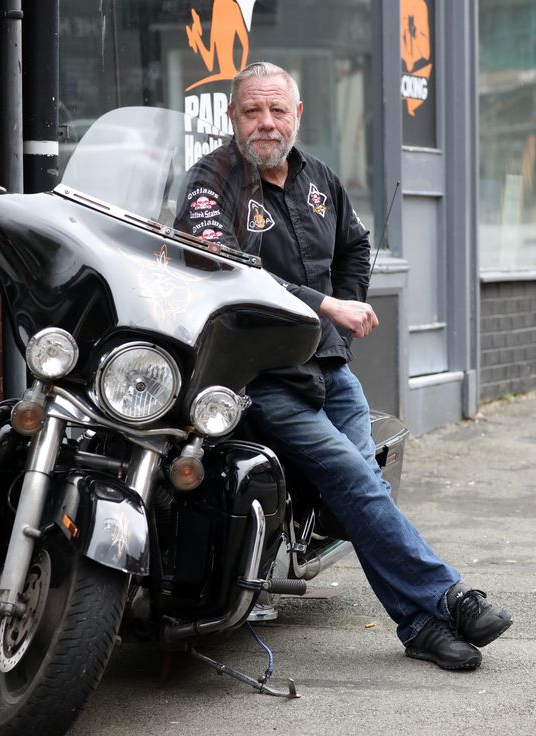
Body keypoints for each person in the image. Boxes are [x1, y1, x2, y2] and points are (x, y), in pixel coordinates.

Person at [175, 61, 512, 670]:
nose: (266, 123)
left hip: (329, 370)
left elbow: (354, 247)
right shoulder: (212, 182)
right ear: (232, 116)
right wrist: (324, 303)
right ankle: (449, 597)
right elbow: (225, 267)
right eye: (253, 110)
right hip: (261, 376)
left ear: (297, 115)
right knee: (355, 481)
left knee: (360, 492)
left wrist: (334, 320)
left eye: (278, 110)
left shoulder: (320, 179)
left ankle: (419, 626)